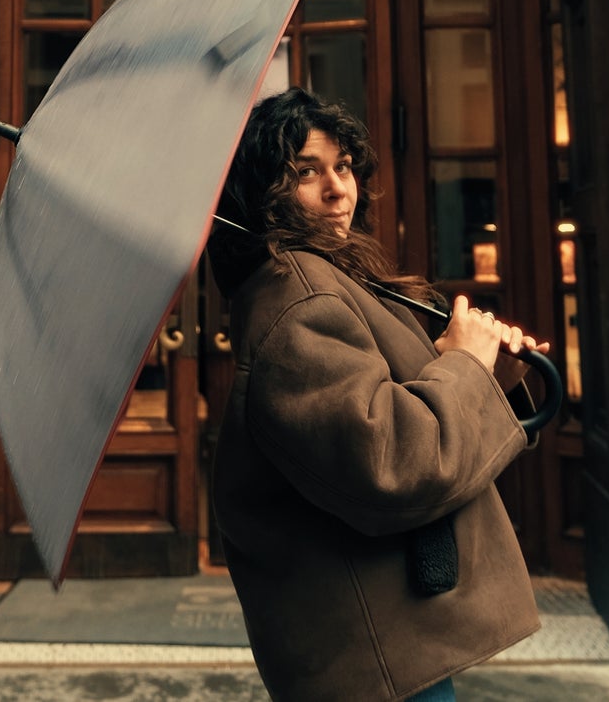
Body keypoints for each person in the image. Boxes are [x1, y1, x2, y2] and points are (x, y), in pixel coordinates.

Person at [208, 88, 545, 702]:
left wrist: (490, 371)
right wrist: (465, 363)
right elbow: (392, 460)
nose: (338, 189)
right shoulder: (301, 297)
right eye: (305, 172)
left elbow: (402, 399)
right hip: (376, 660)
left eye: (343, 166)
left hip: (397, 641)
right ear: (260, 191)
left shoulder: (332, 277)